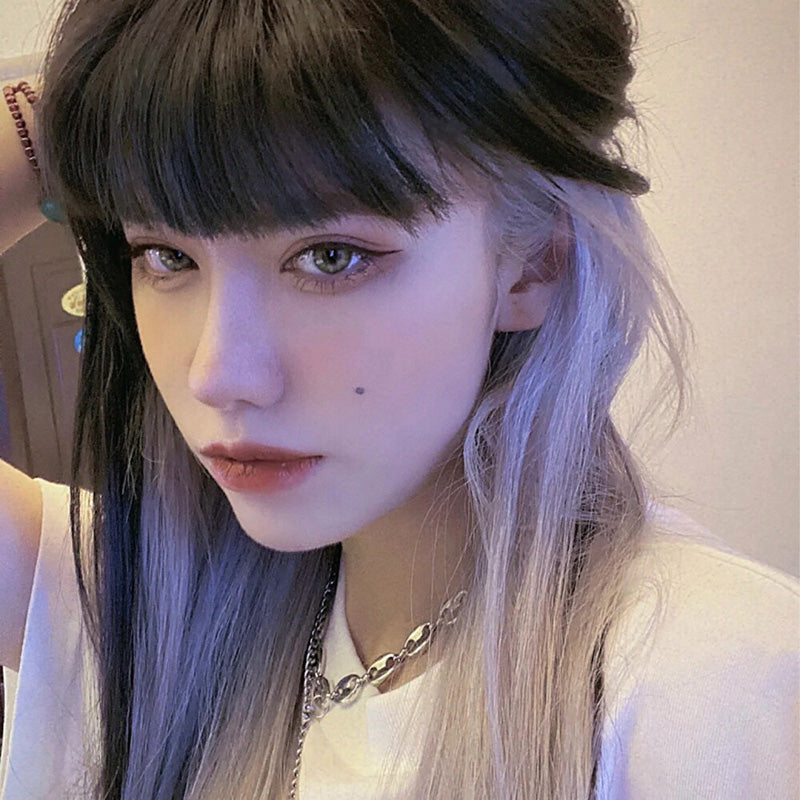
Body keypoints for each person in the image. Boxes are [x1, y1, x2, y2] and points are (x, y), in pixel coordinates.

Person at [0, 1, 797, 798]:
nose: (219, 375)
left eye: (331, 256)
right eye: (167, 256)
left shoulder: (713, 687)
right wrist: (105, 91)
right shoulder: (150, 615)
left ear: (533, 265)